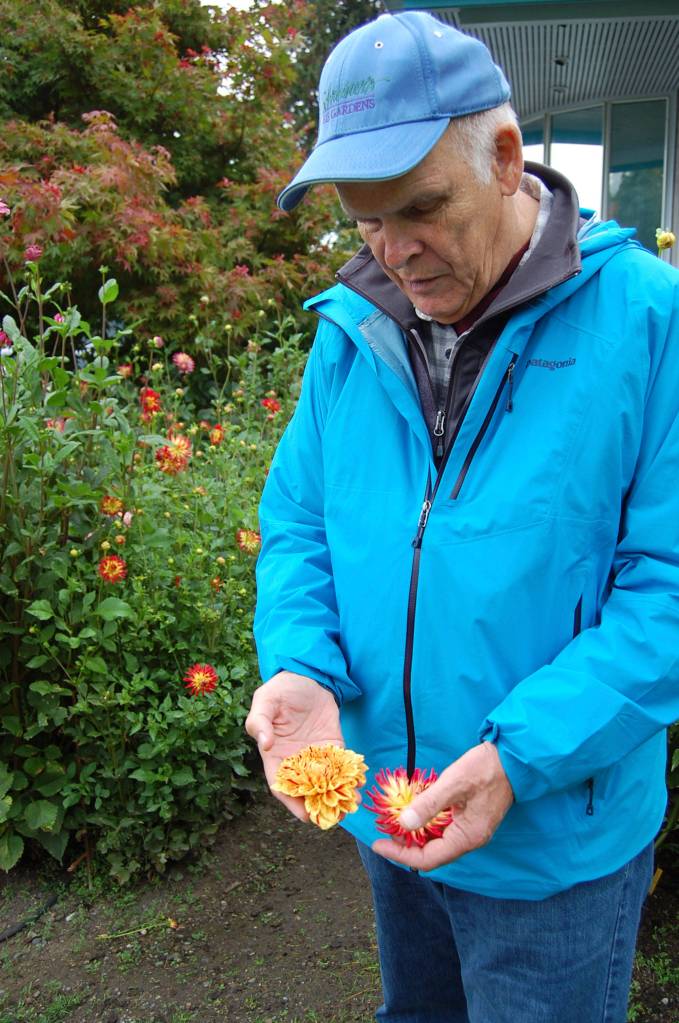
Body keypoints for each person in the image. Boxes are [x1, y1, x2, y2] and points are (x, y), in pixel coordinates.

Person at [245, 11, 679, 1022]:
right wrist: (301, 664)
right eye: (363, 223)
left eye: (421, 208)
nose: (393, 253)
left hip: (551, 847)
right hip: (391, 812)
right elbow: (301, 520)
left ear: (503, 156)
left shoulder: (651, 323)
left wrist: (515, 758)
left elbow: (668, 589)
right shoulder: (349, 334)